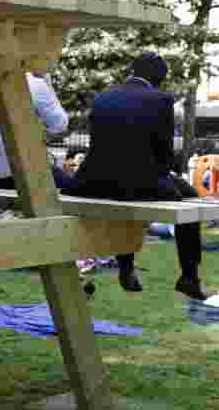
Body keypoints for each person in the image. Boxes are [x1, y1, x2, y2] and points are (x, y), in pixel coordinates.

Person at [64, 51, 209, 300]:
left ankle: (126, 267)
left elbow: (98, 144)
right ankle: (189, 277)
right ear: (159, 79)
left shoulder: (102, 97)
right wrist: (164, 176)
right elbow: (164, 152)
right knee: (191, 199)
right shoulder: (161, 100)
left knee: (128, 193)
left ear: (133, 72)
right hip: (137, 181)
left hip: (93, 182)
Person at [0, 72, 72, 189]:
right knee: (73, 187)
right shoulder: (36, 84)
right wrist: (48, 85)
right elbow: (60, 124)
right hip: (23, 178)